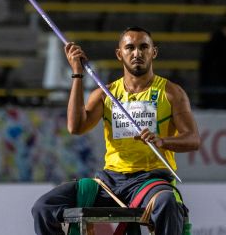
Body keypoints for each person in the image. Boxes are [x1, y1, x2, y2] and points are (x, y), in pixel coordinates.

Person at [32, 26, 200, 235]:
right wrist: (77, 74)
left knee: (167, 202)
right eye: (130, 47)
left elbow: (193, 139)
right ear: (120, 54)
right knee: (43, 207)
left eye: (143, 47)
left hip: (149, 181)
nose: (137, 53)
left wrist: (162, 141)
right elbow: (75, 127)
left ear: (153, 52)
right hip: (109, 182)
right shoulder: (105, 93)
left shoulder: (172, 92)